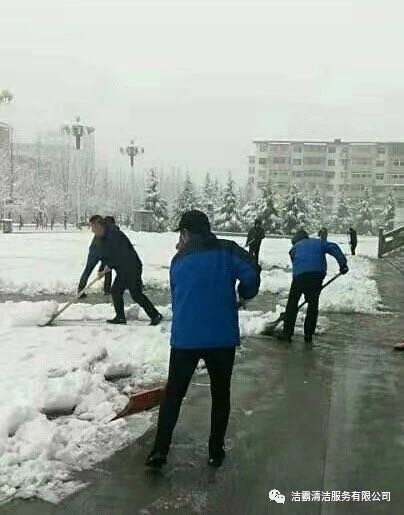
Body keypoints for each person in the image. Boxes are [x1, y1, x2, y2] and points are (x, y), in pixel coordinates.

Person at [145, 210, 261, 469]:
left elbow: (179, 295)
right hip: (221, 338)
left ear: (186, 233)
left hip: (185, 338)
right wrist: (245, 292)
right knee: (220, 393)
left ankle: (159, 451)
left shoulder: (178, 260)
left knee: (174, 394)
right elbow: (251, 271)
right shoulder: (227, 250)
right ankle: (215, 451)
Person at [90, 215, 162, 325]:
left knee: (133, 294)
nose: (92, 230)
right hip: (123, 269)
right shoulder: (105, 236)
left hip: (131, 267)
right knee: (120, 292)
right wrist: (102, 269)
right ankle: (122, 317)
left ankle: (154, 315)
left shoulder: (114, 235)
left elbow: (120, 254)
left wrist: (109, 266)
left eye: (93, 227)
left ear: (99, 225)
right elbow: (106, 255)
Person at [279, 229, 348, 345]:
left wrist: (301, 284)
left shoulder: (293, 249)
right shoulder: (319, 242)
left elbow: (296, 264)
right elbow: (334, 247)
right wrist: (343, 264)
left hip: (299, 276)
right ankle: (308, 335)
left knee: (292, 302)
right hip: (316, 275)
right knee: (313, 304)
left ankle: (287, 333)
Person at [78, 216, 115, 296]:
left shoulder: (101, 228)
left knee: (88, 270)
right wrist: (102, 267)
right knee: (108, 270)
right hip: (101, 252)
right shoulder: (109, 231)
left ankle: (80, 290)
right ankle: (107, 290)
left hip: (94, 251)